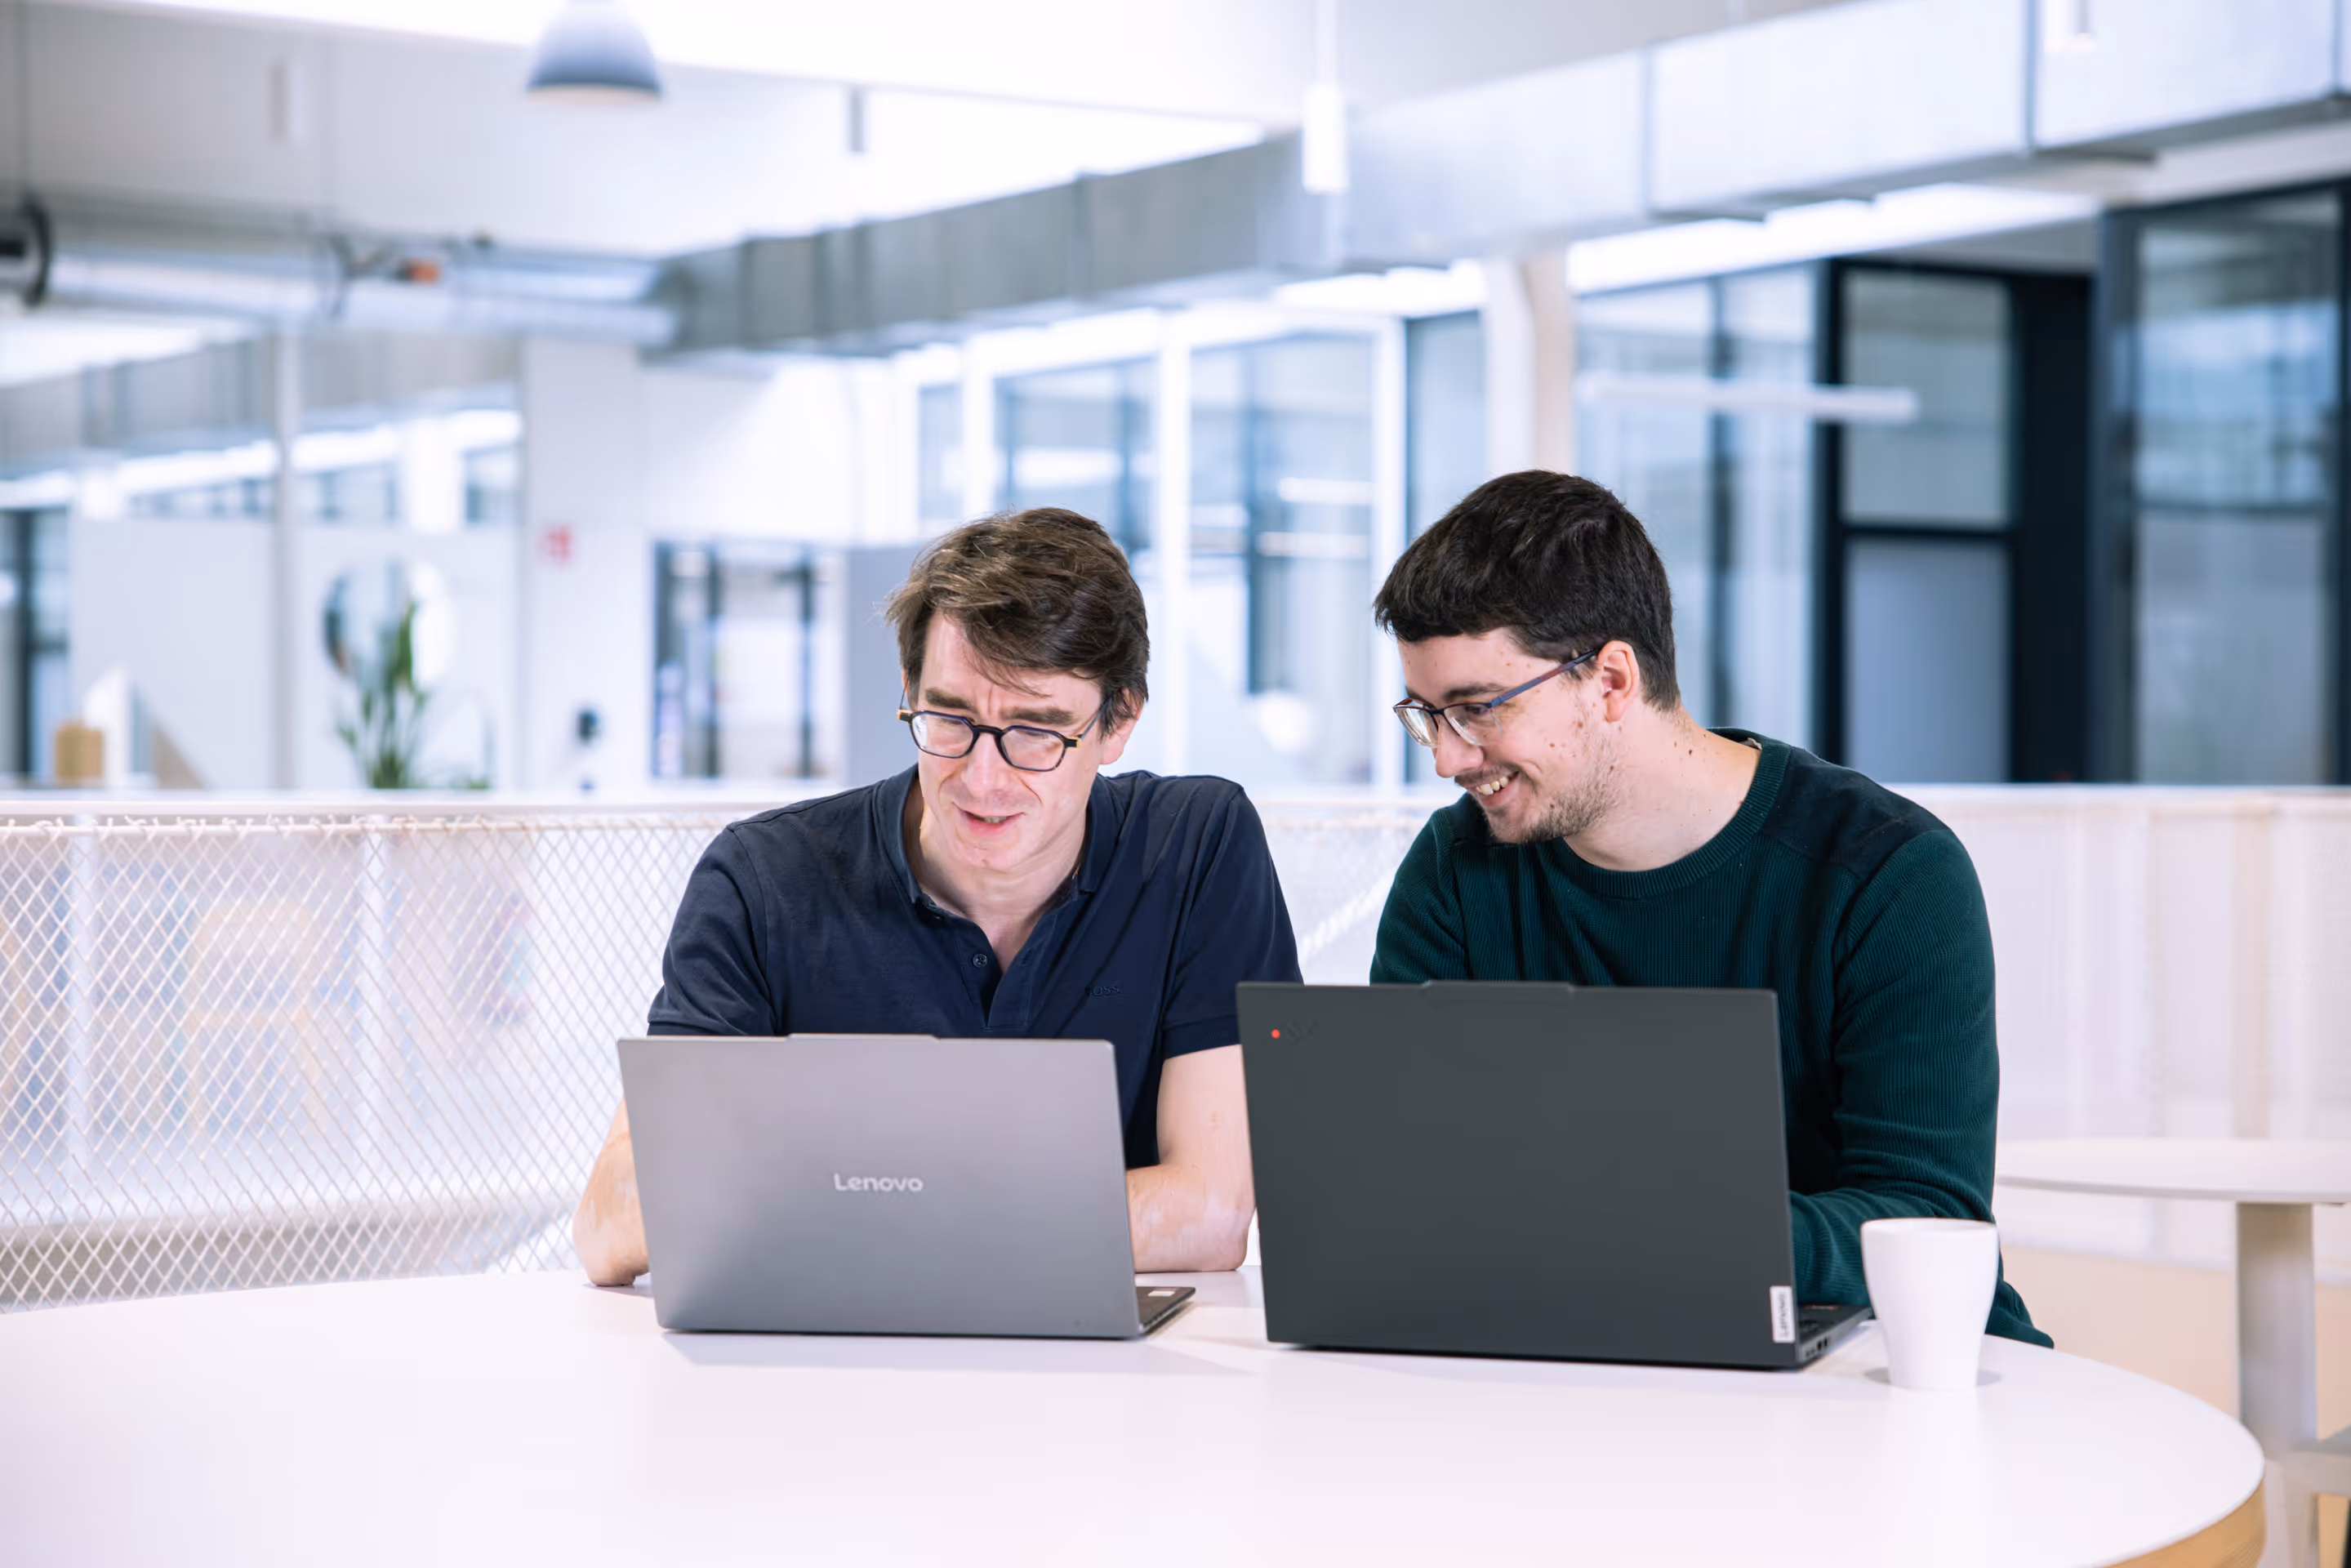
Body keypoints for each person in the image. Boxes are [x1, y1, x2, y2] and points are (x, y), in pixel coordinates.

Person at [1369, 470, 2046, 1344]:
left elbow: (1927, 1222)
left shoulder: (1885, 875)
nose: (1447, 760)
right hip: (1579, 1348)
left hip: (1881, 1359)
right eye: (1427, 715)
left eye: (1474, 711)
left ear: (1610, 680)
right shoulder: (1454, 871)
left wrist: (1629, 1227)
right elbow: (1406, 1176)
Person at [573, 507, 1299, 1286]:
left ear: (1117, 723)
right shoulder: (764, 879)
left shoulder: (1195, 847)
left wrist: (860, 1213)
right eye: (950, 718)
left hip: (1099, 1353)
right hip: (828, 1350)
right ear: (908, 688)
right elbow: (609, 1228)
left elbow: (1210, 1213)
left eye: (1036, 731)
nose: (983, 780)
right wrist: (994, 1224)